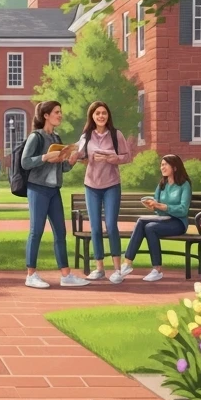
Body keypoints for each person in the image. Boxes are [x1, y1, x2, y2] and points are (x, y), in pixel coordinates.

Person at [21, 101, 87, 289]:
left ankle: (66, 275)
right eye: (57, 112)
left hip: (53, 190)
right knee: (36, 231)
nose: (60, 115)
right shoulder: (36, 137)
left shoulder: (56, 138)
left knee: (60, 232)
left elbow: (62, 167)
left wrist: (72, 160)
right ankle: (31, 274)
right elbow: (25, 162)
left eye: (60, 112)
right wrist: (44, 157)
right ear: (46, 116)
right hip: (38, 189)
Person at [74, 101, 132, 280]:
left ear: (108, 116)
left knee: (111, 226)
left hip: (111, 185)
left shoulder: (116, 134)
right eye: (97, 113)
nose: (101, 116)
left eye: (104, 113)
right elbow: (78, 156)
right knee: (95, 228)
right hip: (91, 186)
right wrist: (84, 156)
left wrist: (114, 158)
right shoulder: (86, 136)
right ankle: (99, 268)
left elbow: (127, 157)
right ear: (92, 116)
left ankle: (117, 270)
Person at [114, 154, 192, 284]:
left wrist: (161, 206)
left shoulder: (184, 185)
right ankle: (154, 269)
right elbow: (157, 208)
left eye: (165, 164)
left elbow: (183, 210)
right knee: (149, 227)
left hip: (178, 223)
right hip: (163, 220)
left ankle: (129, 263)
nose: (162, 167)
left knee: (143, 222)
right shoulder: (162, 184)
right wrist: (152, 206)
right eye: (161, 165)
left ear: (175, 167)